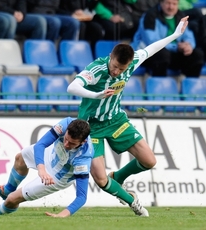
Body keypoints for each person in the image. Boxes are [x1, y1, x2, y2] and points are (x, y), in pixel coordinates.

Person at [67, 16, 190, 213]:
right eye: (114, 66)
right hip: (91, 126)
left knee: (149, 161)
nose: (116, 72)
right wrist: (95, 94)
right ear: (111, 57)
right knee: (100, 178)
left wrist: (175, 35)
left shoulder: (131, 63)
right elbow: (72, 87)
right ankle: (133, 202)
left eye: (121, 69)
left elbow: (151, 49)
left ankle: (118, 178)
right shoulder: (97, 68)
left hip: (115, 120)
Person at [0, 118, 94, 217]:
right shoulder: (66, 124)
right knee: (20, 158)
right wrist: (41, 168)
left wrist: (62, 215)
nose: (66, 144)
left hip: (57, 177)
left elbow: (82, 197)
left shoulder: (83, 158)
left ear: (82, 142)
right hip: (51, 155)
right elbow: (40, 145)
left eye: (72, 143)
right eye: (66, 139)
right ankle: (7, 190)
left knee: (12, 200)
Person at [131, 0, 204, 77]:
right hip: (148, 55)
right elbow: (153, 42)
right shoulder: (150, 16)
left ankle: (191, 86)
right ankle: (159, 84)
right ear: (161, 3)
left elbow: (189, 35)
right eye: (168, 3)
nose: (171, 7)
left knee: (197, 55)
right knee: (162, 54)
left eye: (174, 4)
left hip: (171, 53)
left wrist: (188, 45)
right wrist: (176, 47)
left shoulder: (180, 16)